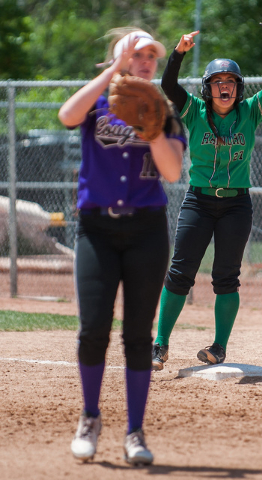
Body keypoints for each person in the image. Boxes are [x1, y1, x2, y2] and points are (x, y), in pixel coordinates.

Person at [58, 27, 186, 465]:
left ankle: (134, 432)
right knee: (93, 330)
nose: (146, 60)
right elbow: (66, 115)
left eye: (151, 54)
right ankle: (90, 418)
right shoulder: (97, 103)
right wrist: (113, 72)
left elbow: (171, 172)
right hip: (96, 229)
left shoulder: (164, 111)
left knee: (137, 336)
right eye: (135, 54)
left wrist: (152, 127)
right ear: (119, 60)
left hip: (147, 232)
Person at [152, 23, 262, 371]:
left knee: (226, 277)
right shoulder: (195, 110)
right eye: (218, 82)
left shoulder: (250, 111)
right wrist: (178, 52)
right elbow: (168, 85)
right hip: (198, 201)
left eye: (230, 82)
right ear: (208, 88)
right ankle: (160, 344)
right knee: (180, 272)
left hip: (236, 205)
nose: (224, 87)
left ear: (237, 88)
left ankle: (219, 347)